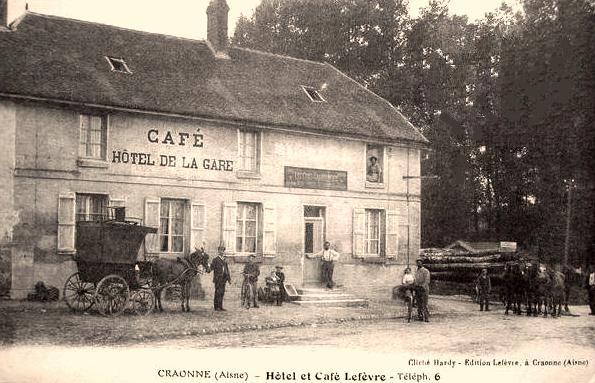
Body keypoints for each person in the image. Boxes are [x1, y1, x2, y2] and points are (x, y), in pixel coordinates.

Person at [210, 245, 231, 311]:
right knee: (217, 292)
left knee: (222, 292)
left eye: (223, 250)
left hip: (223, 279)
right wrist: (208, 269)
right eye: (220, 250)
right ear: (218, 251)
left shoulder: (224, 260)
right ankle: (216, 307)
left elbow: (227, 270)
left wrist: (229, 279)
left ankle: (220, 306)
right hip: (217, 279)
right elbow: (211, 268)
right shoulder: (215, 260)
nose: (222, 252)